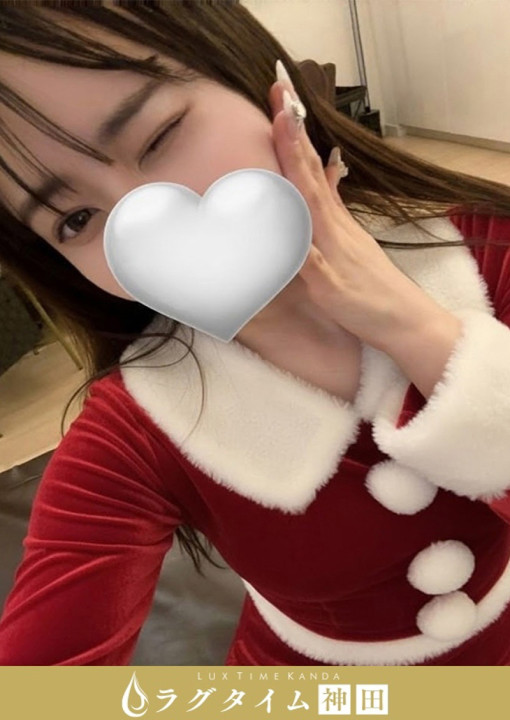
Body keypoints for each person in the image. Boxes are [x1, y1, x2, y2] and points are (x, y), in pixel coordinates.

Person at [1, 0, 510, 667]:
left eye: (157, 137)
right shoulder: (134, 430)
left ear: (263, 84)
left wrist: (415, 329)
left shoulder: (485, 250)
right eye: (75, 219)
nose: (146, 226)